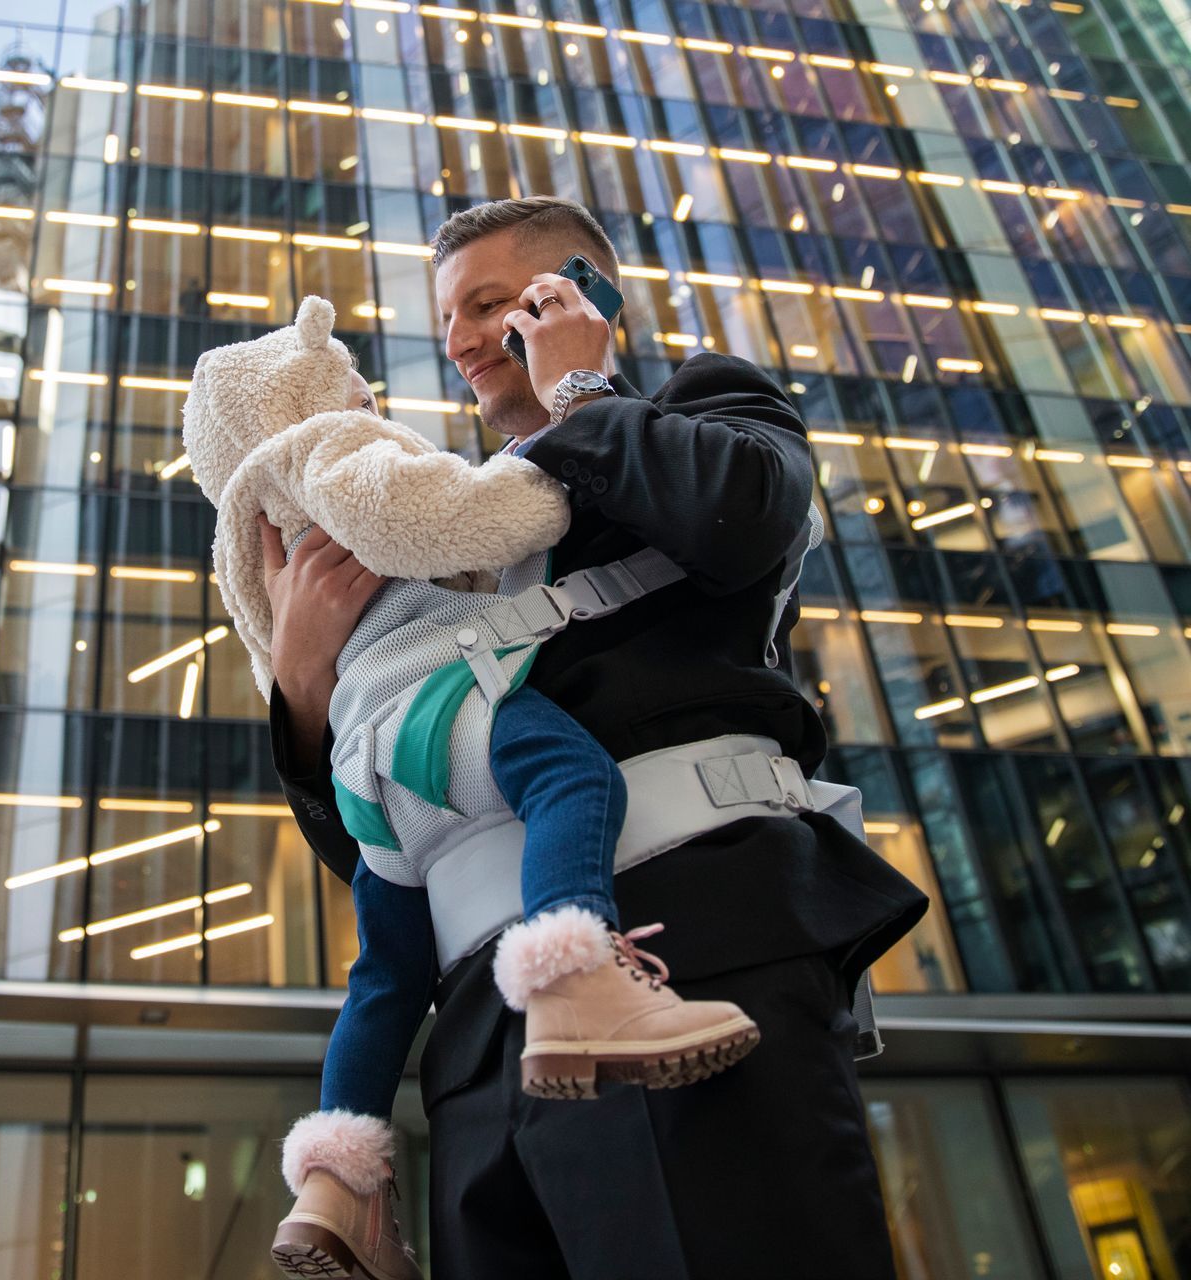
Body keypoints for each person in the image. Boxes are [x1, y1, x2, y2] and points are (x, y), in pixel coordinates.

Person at [262, 196, 930, 1279]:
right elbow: (382, 839)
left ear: (581, 291)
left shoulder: (698, 407)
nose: (467, 340)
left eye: (491, 303)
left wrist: (582, 388)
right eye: (451, 322)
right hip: (483, 1040)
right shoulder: (442, 537)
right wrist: (304, 679)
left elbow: (745, 512)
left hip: (686, 942)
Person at [180, 298, 761, 1280]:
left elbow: (277, 663)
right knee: (571, 778)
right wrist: (553, 476)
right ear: (306, 390)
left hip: (368, 778)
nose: (374, 395)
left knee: (386, 972)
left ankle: (337, 1181)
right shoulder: (331, 443)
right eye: (352, 380)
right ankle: (578, 979)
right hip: (444, 707)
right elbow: (453, 514)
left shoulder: (242, 530)